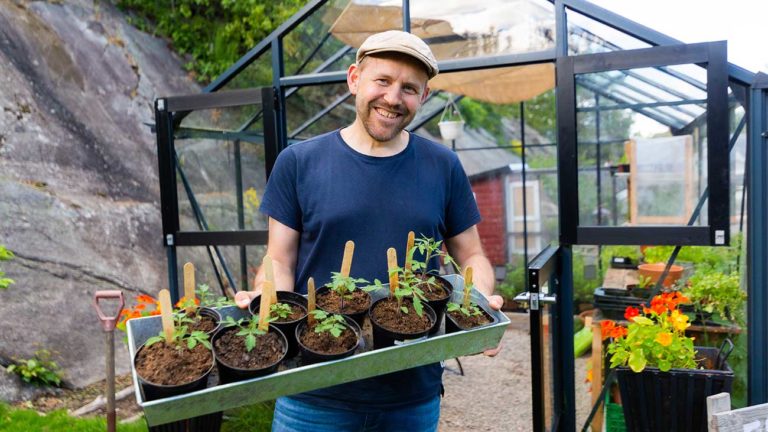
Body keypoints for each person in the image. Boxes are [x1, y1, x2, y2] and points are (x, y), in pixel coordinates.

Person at [234, 30, 504, 432]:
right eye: (383, 81)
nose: (393, 98)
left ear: (424, 97)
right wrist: (266, 295)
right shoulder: (299, 162)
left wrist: (479, 301)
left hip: (410, 396)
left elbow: (472, 255)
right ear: (354, 79)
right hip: (313, 393)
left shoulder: (442, 166)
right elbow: (279, 257)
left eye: (409, 88)